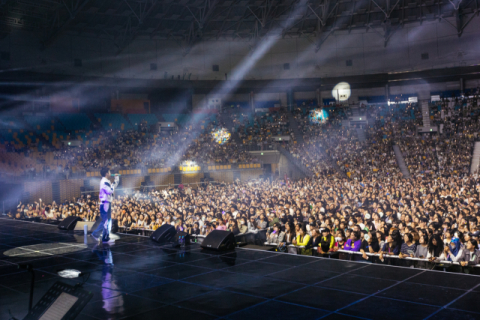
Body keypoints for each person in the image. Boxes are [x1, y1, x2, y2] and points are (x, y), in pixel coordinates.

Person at [91, 167, 119, 244]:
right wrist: (113, 185)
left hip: (106, 203)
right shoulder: (104, 181)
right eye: (109, 172)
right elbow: (109, 191)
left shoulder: (106, 181)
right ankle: (101, 236)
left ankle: (101, 236)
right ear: (107, 173)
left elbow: (112, 188)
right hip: (105, 203)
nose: (110, 173)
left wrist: (116, 179)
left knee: (106, 221)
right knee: (106, 222)